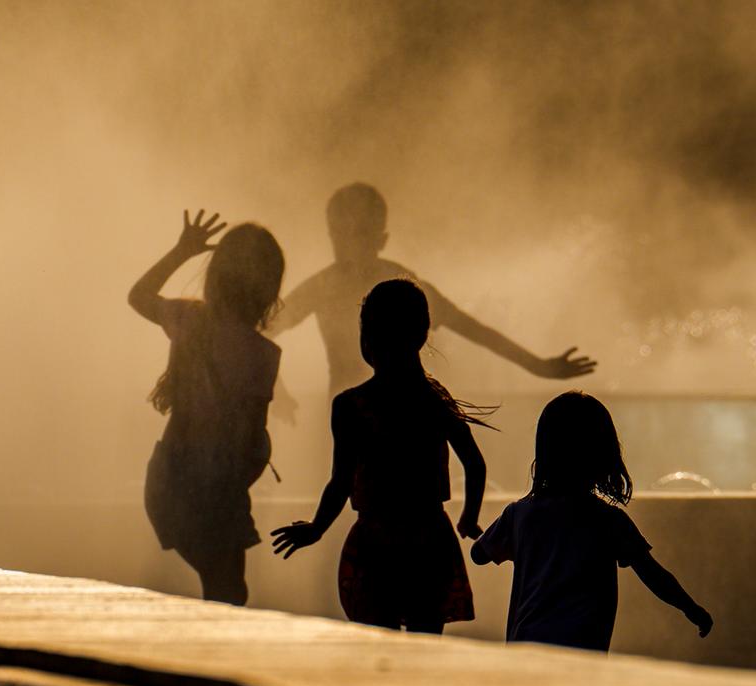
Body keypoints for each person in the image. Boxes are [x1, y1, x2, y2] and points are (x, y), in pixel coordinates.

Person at [270, 279, 489, 633]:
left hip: (377, 543)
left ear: (366, 339)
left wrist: (317, 527)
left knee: (376, 644)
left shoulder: (352, 406)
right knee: (424, 644)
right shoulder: (434, 402)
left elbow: (340, 481)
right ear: (420, 336)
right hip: (428, 538)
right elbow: (475, 465)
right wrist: (468, 518)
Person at [268, 182, 597, 397]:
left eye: (356, 233)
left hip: (406, 414)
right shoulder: (323, 286)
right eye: (339, 234)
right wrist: (276, 387)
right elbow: (264, 330)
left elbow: (474, 329)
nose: (345, 244)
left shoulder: (402, 284)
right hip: (346, 417)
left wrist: (537, 365)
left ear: (380, 239)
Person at [470, 390, 713, 650]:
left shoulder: (519, 515)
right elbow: (653, 574)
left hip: (527, 644)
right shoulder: (609, 521)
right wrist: (691, 608)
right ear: (604, 456)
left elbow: (479, 554)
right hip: (582, 647)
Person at [129, 210, 285, 605]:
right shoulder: (263, 355)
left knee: (225, 586)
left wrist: (181, 252)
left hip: (171, 476)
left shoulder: (189, 319)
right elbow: (251, 439)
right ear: (269, 289)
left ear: (216, 274)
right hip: (216, 486)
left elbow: (139, 296)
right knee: (228, 588)